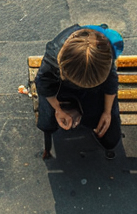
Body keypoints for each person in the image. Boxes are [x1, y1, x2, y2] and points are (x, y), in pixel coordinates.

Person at [34, 26, 122, 160]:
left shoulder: (103, 53)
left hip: (93, 88)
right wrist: (58, 109)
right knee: (48, 119)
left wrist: (107, 112)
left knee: (111, 138)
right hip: (61, 86)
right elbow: (44, 85)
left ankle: (90, 117)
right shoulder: (53, 56)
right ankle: (50, 127)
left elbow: (111, 82)